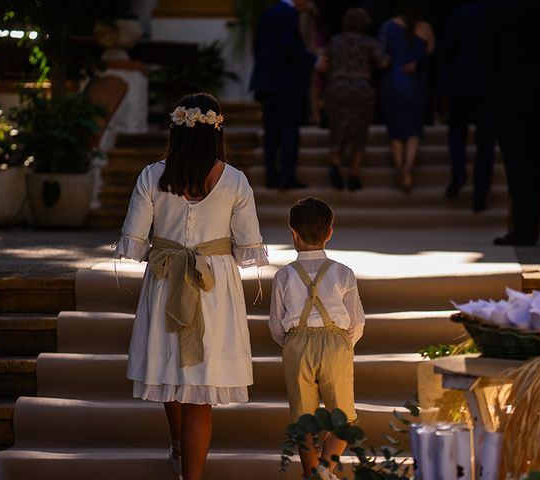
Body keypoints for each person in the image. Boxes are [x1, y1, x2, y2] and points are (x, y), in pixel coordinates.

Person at [113, 93, 268, 480]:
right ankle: (192, 474)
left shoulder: (152, 176)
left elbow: (133, 239)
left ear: (175, 130)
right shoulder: (234, 180)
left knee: (169, 371)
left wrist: (168, 240)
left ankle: (179, 445)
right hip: (214, 286)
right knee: (200, 391)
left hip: (165, 279)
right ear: (217, 132)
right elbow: (248, 244)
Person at [269, 197, 365, 480]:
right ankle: (324, 471)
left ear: (293, 234)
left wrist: (291, 344)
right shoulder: (343, 273)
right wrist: (344, 344)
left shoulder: (284, 276)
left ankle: (315, 474)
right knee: (344, 418)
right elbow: (356, 321)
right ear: (330, 232)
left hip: (296, 344)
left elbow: (276, 324)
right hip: (336, 343)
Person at [486, 0, 540, 246]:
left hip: (509, 97)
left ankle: (524, 227)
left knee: (518, 166)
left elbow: (491, 54)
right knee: (533, 164)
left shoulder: (501, 10)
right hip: (537, 95)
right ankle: (528, 226)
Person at [250, 0, 321, 190]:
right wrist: (313, 60)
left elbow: (256, 45)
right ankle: (287, 177)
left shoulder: (268, 13)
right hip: (286, 84)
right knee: (289, 131)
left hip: (266, 83)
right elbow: (288, 45)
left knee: (271, 132)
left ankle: (271, 177)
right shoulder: (290, 15)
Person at [323, 8, 389, 191]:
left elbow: (323, 63)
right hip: (361, 88)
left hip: (337, 87)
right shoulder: (369, 43)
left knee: (337, 127)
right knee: (359, 131)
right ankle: (354, 174)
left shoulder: (335, 41)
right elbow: (383, 62)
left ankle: (336, 163)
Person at [440, 0, 495, 212]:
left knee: (457, 133)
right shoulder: (493, 15)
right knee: (485, 142)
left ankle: (460, 171)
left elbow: (447, 52)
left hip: (460, 83)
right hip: (488, 86)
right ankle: (480, 192)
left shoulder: (459, 15)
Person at [379, 0, 435, 192]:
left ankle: (399, 165)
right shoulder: (426, 28)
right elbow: (430, 56)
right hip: (416, 82)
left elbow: (382, 55)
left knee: (396, 129)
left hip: (393, 80)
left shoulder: (388, 26)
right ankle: (408, 167)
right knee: (413, 128)